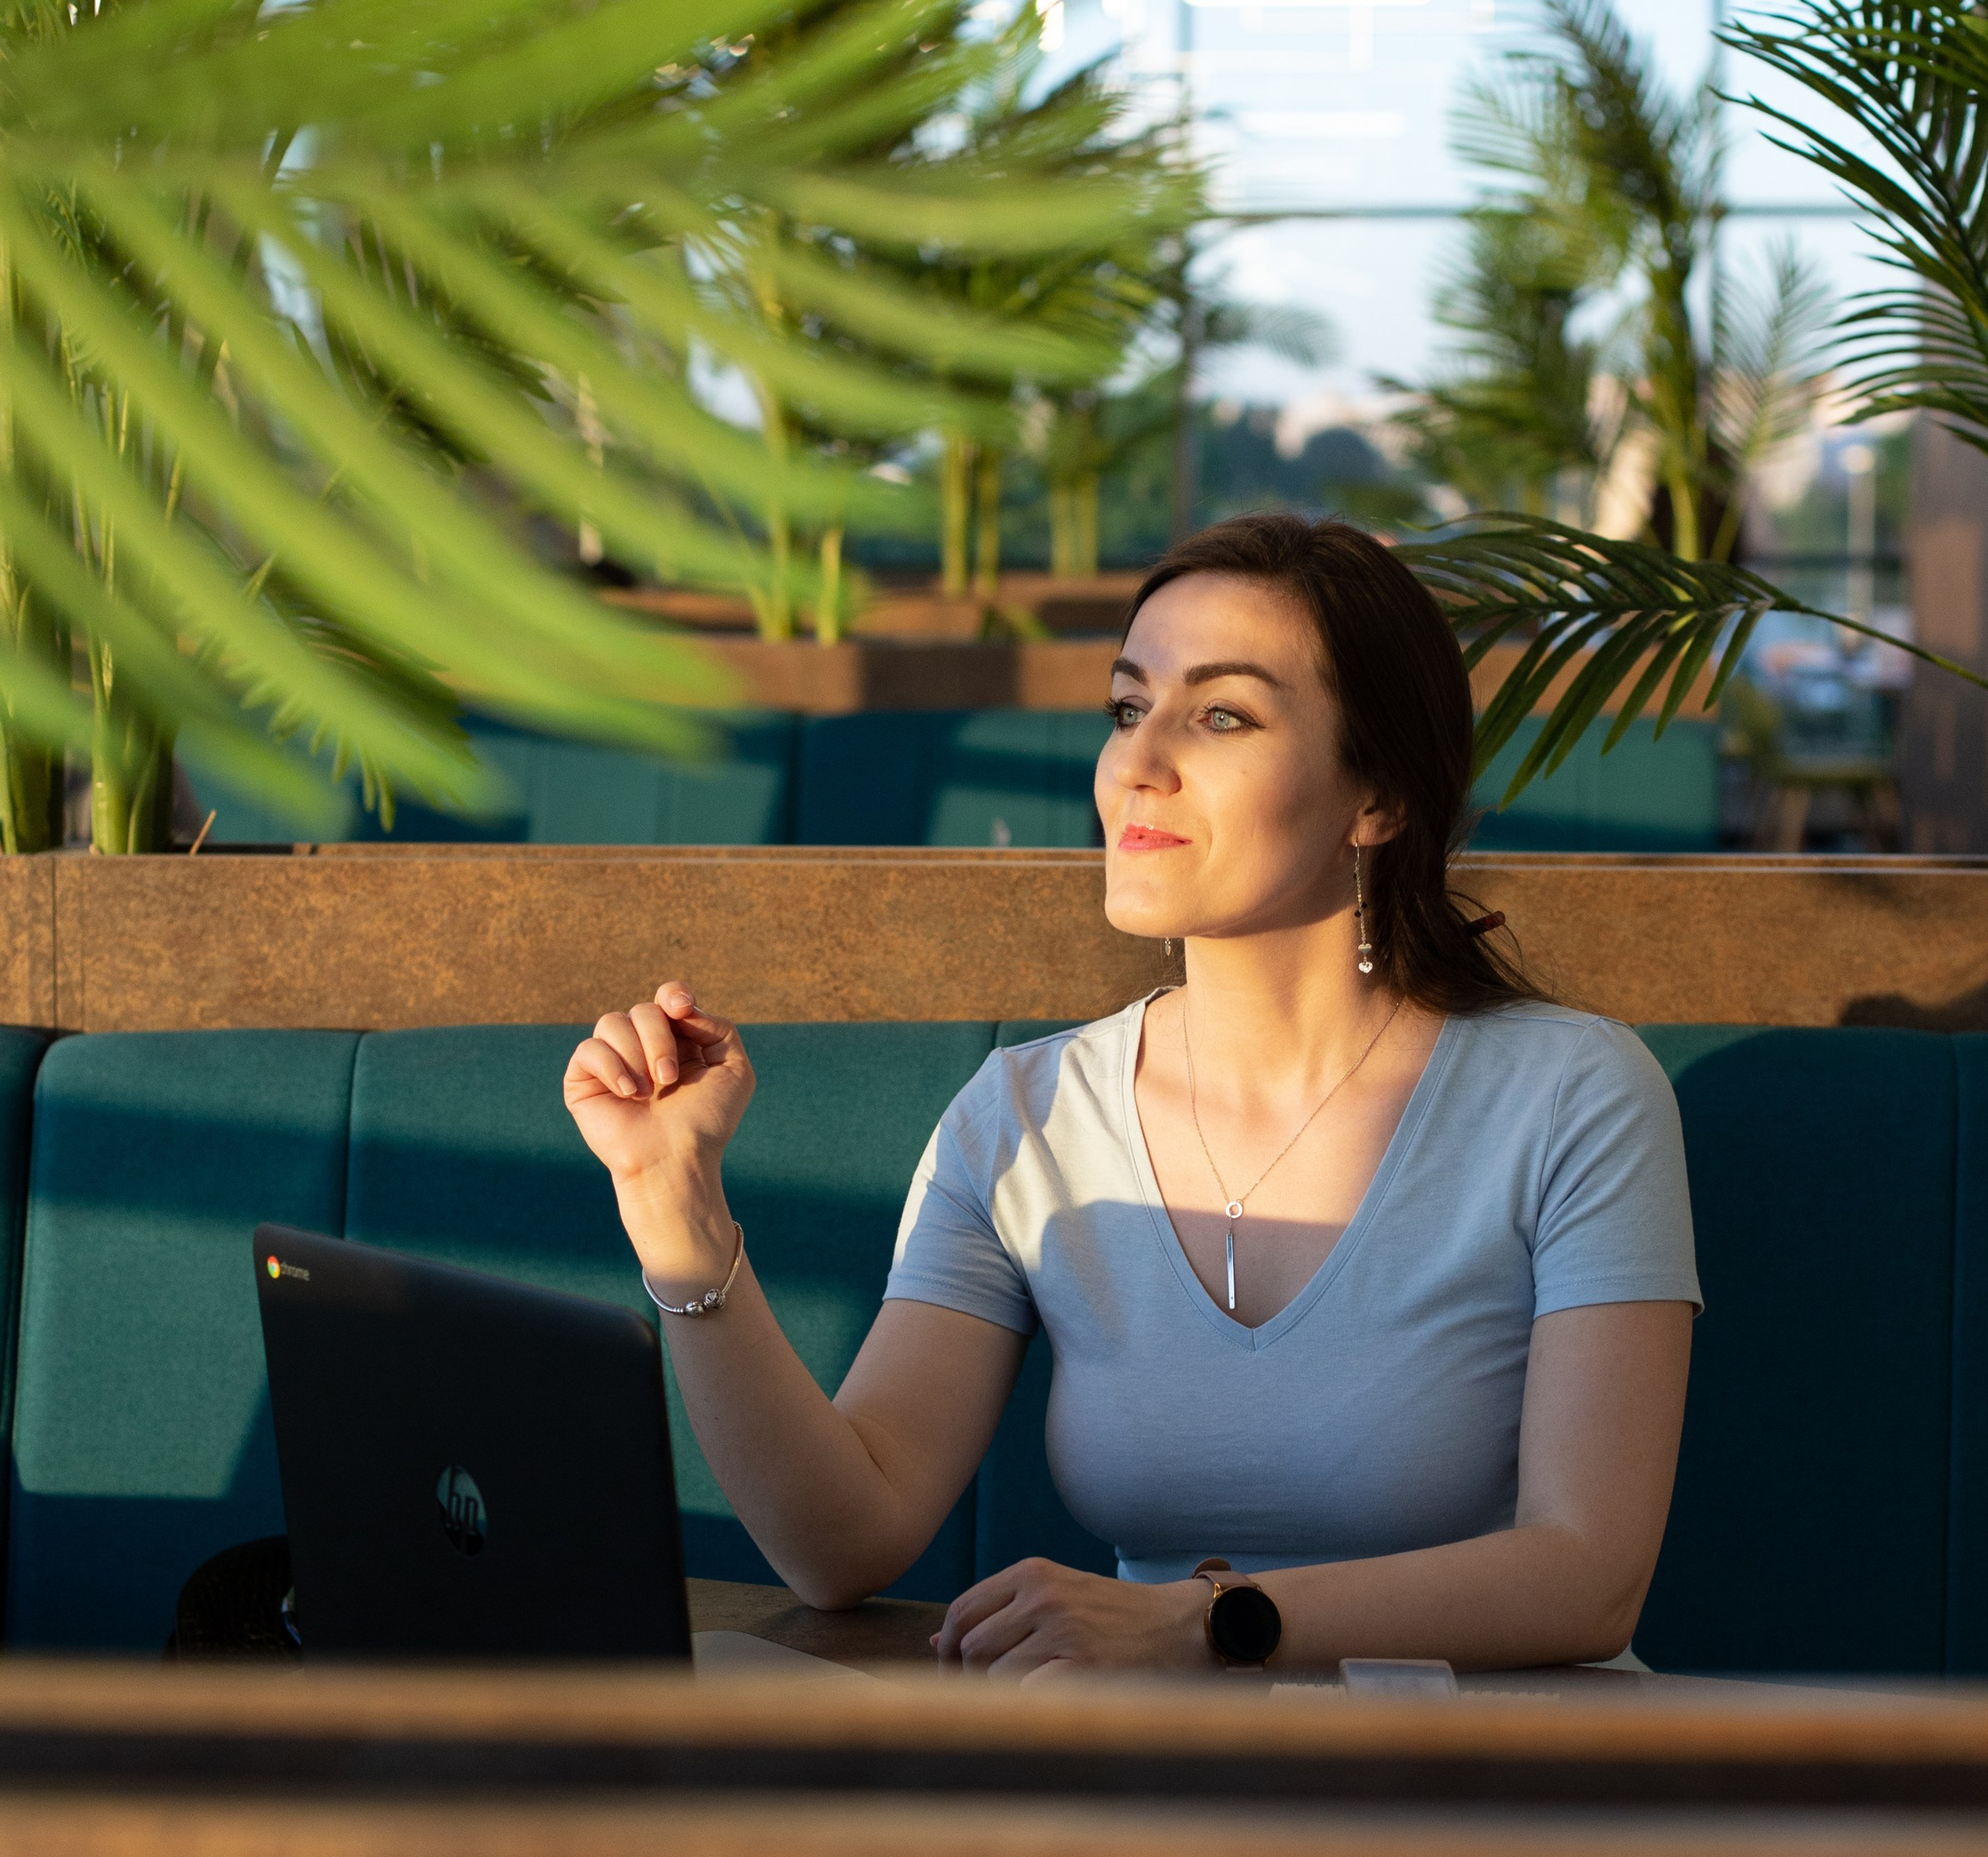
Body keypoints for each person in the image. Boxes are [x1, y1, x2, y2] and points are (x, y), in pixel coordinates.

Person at [564, 513, 1698, 1679]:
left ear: (1378, 798)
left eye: (1222, 715)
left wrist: (1199, 1623)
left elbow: (1588, 1574)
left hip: (1487, 1793)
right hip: (1149, 1783)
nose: (1137, 762)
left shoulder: (1575, 1095)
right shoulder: (1025, 1116)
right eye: (1126, 706)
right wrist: (674, 1206)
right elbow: (843, 1540)